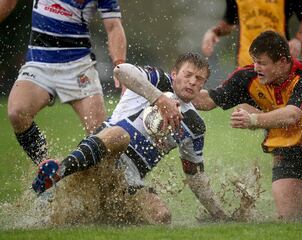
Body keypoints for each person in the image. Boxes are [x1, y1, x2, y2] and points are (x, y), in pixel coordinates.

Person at [31, 52, 228, 224]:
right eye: (188, 75)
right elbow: (120, 70)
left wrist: (220, 214)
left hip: (127, 179)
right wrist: (159, 99)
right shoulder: (157, 79)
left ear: (203, 85)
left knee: (161, 216)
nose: (193, 81)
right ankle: (59, 173)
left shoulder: (195, 125)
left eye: (199, 79)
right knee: (120, 136)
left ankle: (106, 214)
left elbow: (196, 176)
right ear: (174, 74)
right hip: (100, 156)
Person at [193, 30, 302, 219]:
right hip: (287, 142)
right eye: (255, 61)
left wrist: (253, 120)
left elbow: (292, 115)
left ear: (282, 62)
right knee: (290, 216)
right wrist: (182, 89)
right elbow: (208, 101)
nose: (256, 67)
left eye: (262, 63)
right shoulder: (246, 77)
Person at [7, 0, 127, 166]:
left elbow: (114, 26)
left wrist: (119, 65)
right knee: (17, 112)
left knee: (101, 135)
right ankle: (46, 166)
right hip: (39, 60)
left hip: (78, 65)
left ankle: (119, 184)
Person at [201, 0, 302, 67]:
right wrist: (214, 32)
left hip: (278, 62)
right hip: (245, 62)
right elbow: (230, 21)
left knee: (280, 106)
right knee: (244, 107)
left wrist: (298, 39)